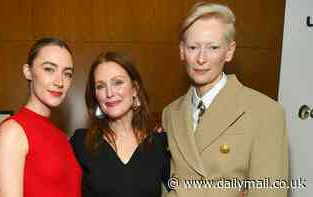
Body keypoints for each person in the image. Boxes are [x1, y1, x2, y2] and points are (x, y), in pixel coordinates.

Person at [162, 2, 288, 197]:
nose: (201, 58)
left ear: (229, 51)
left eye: (213, 47)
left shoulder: (266, 112)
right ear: (181, 50)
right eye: (193, 47)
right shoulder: (170, 113)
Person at [70, 51, 170, 197]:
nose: (109, 93)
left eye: (118, 82)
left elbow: (181, 188)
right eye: (100, 86)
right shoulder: (81, 143)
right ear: (95, 96)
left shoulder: (159, 143)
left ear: (134, 89)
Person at [0, 37, 82, 197]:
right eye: (49, 69)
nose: (59, 81)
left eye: (67, 73)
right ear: (28, 72)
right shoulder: (13, 131)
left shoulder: (62, 137)